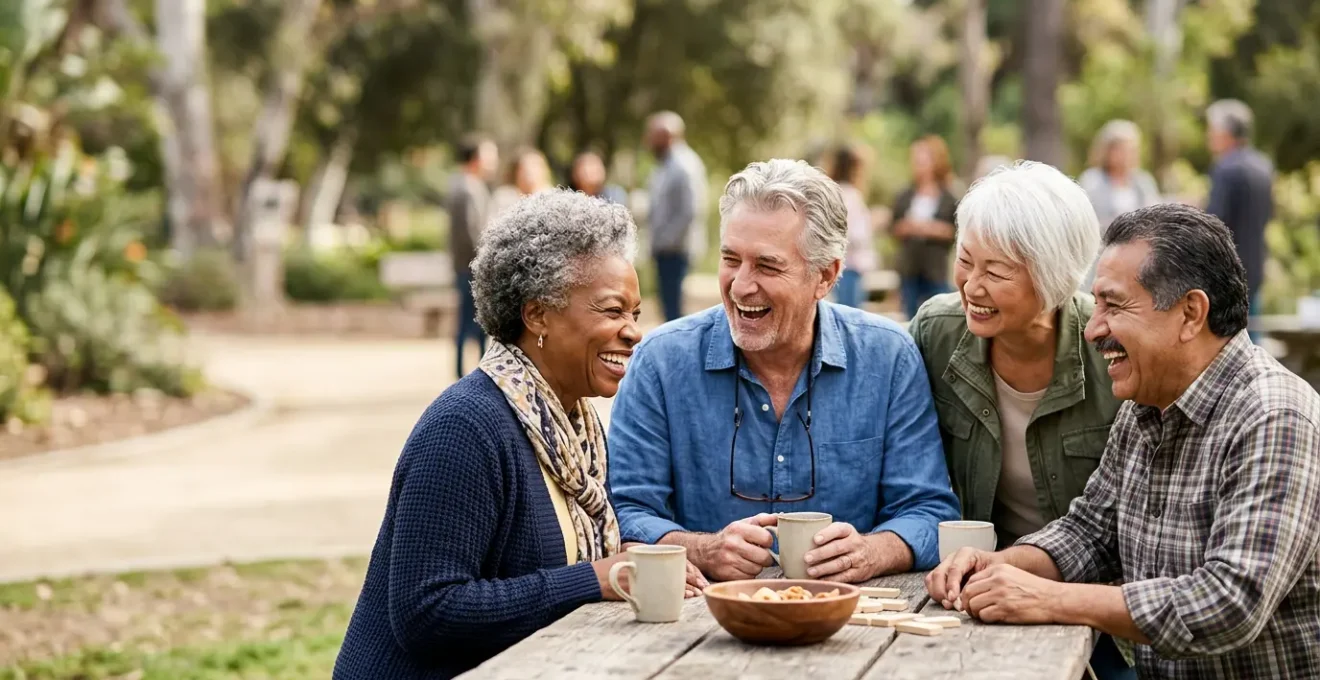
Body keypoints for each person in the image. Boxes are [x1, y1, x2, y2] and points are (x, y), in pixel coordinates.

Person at [926, 203, 1320, 679]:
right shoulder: (1144, 405)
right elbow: (1090, 532)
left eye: (1114, 305)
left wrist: (1051, 599)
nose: (1093, 328)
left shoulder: (1274, 416)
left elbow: (1229, 603)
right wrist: (995, 566)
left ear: (1191, 313)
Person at [335, 191, 707, 680]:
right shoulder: (466, 428)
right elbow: (427, 612)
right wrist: (592, 580)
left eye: (635, 314)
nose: (633, 332)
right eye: (612, 310)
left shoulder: (576, 429)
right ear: (538, 316)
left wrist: (623, 561)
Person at [609, 159, 960, 584]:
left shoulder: (889, 358)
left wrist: (873, 551)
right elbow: (624, 514)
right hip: (691, 623)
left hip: (859, 624)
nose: (740, 285)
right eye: (731, 259)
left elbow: (928, 510)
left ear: (825, 276)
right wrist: (705, 548)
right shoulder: (660, 362)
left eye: (767, 266)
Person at [908, 161, 1131, 679]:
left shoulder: (1112, 353)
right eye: (966, 261)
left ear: (1052, 278)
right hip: (967, 598)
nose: (972, 286)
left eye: (997, 271)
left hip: (1096, 611)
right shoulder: (936, 334)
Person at [1205, 99, 1273, 343]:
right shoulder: (1263, 165)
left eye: (1211, 130)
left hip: (1228, 270)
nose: (1209, 137)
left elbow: (1215, 221)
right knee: (1253, 334)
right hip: (1255, 263)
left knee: (1229, 338)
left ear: (1225, 133)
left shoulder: (1226, 168)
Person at [1078, 120, 1162, 290]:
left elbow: (1156, 218)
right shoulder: (1092, 181)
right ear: (1107, 151)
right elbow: (1085, 222)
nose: (1126, 155)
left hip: (1137, 262)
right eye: (1121, 149)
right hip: (1100, 259)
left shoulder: (1143, 182)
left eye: (1131, 149)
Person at [645, 111, 708, 321]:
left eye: (653, 135)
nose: (649, 140)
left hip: (676, 250)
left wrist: (666, 241)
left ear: (668, 135)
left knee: (674, 309)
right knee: (666, 305)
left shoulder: (685, 165)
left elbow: (691, 210)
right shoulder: (665, 165)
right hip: (664, 249)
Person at [446, 134, 497, 378]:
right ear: (476, 158)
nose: (493, 160)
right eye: (489, 154)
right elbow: (471, 233)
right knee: (470, 322)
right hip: (471, 268)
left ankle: (475, 369)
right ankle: (468, 372)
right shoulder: (467, 189)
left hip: (467, 266)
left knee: (471, 323)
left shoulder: (466, 185)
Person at [892, 135, 959, 320]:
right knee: (910, 318)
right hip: (909, 268)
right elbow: (894, 227)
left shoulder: (949, 197)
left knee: (939, 316)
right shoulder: (904, 195)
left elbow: (956, 232)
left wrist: (931, 229)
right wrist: (908, 227)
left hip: (936, 269)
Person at [828, 144, 876, 309]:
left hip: (845, 266)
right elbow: (851, 234)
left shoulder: (835, 192)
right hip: (850, 266)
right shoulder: (849, 195)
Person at [489, 148, 553, 219]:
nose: (529, 172)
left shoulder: (552, 198)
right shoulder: (503, 198)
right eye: (524, 168)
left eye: (534, 166)